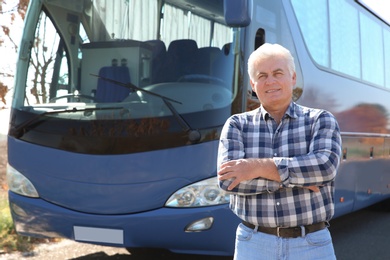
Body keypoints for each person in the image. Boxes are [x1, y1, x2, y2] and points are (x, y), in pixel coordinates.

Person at [217, 43, 342, 260]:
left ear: (292, 78)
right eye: (262, 75)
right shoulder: (236, 125)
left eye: (278, 73)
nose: (270, 81)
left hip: (311, 244)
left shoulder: (320, 120)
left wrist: (254, 167)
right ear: (253, 85)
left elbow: (324, 167)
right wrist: (297, 178)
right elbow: (228, 180)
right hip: (253, 244)